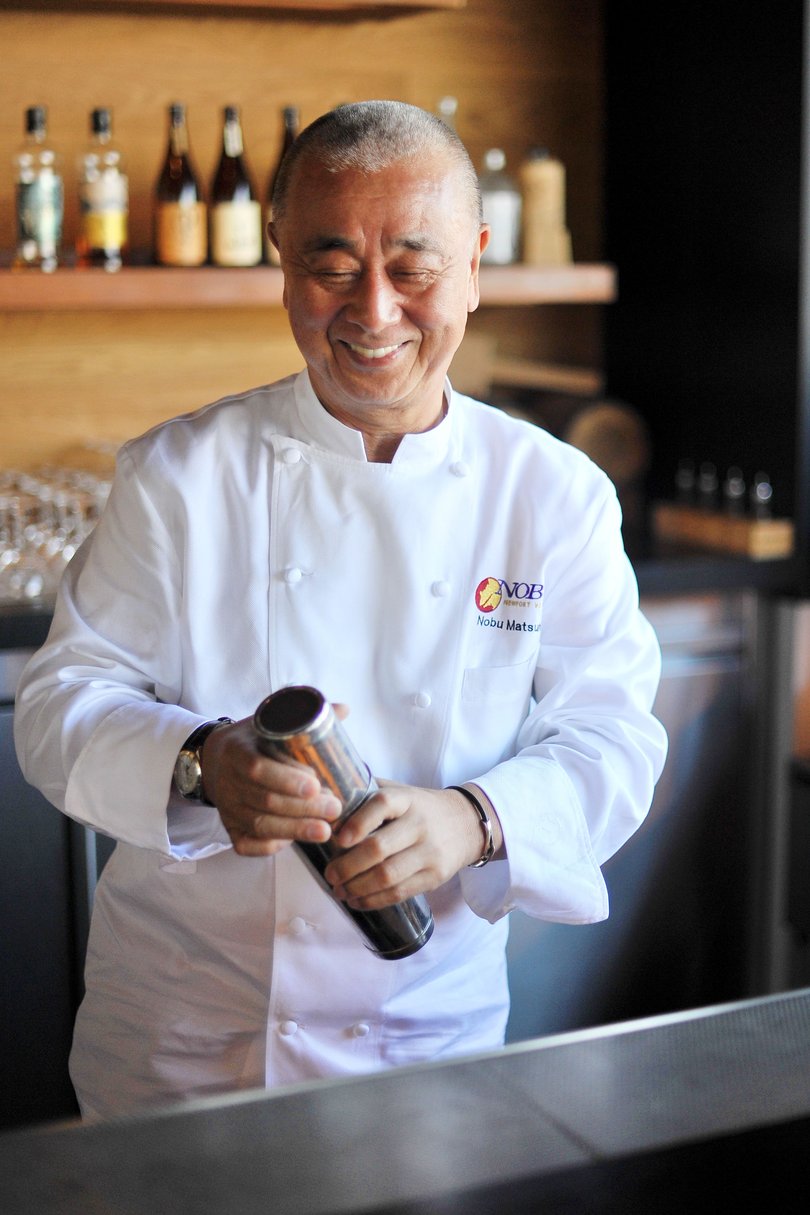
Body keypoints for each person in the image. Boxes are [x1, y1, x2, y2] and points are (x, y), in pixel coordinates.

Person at [14, 100, 667, 1120]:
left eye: (414, 267)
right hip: (183, 1045)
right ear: (280, 261)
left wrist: (474, 820)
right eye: (331, 267)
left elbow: (615, 735)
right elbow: (60, 703)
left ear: (477, 263)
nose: (372, 311)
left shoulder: (553, 493)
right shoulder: (179, 477)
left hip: (425, 1045)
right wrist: (199, 762)